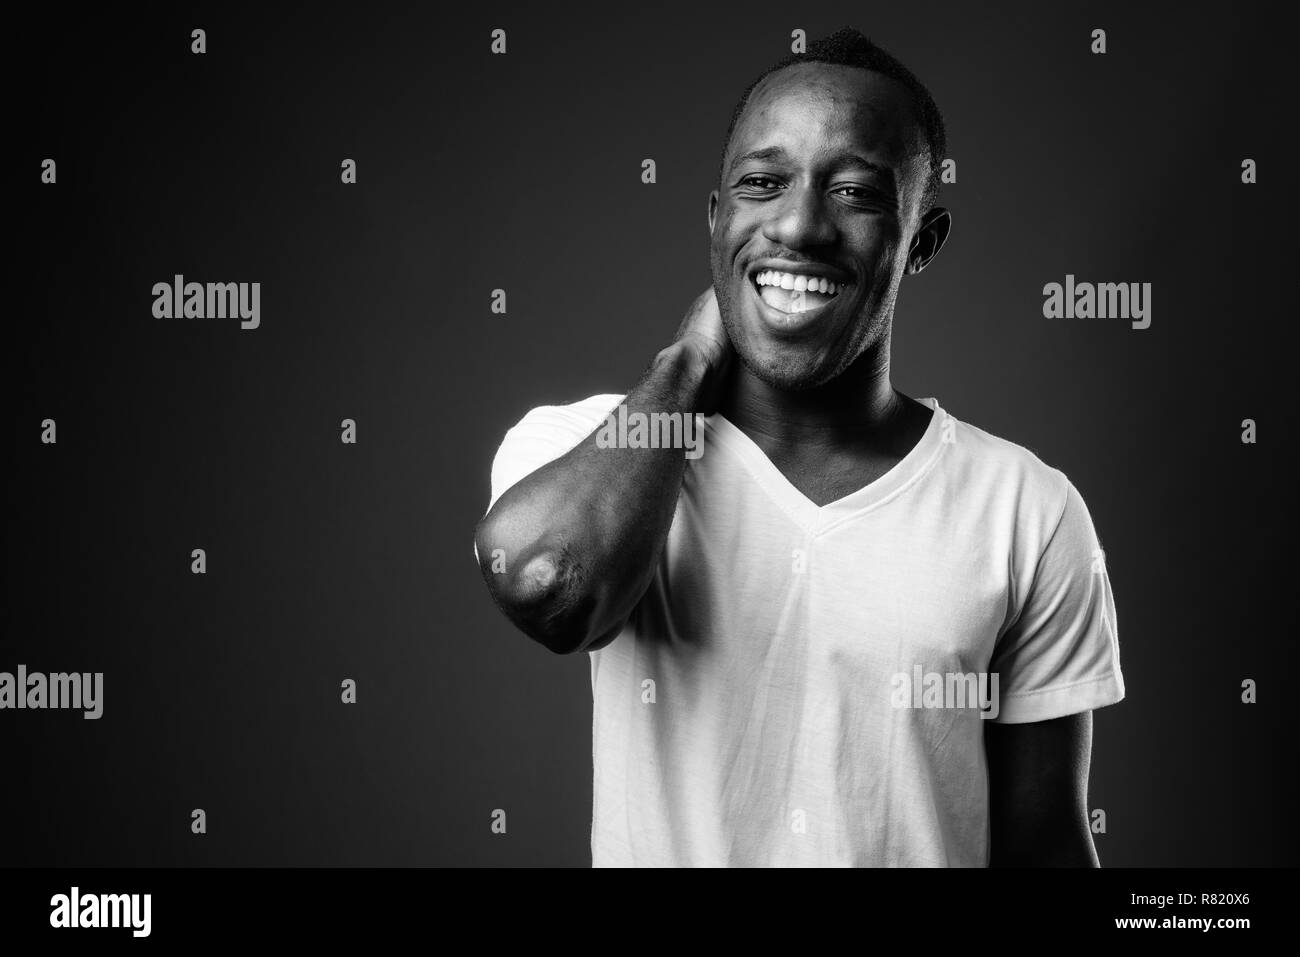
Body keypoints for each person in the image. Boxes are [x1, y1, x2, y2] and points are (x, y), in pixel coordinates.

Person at [474, 27, 1125, 866]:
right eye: (762, 182)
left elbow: (1046, 848)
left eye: (855, 192)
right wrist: (689, 360)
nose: (800, 223)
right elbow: (552, 588)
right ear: (717, 221)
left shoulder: (1026, 511)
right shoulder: (584, 445)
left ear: (920, 241)